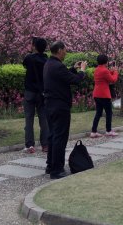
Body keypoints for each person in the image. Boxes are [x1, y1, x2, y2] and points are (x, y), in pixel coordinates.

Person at [43, 41, 87, 179]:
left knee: (52, 136)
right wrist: (82, 71)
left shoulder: (49, 64)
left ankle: (50, 165)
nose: (66, 53)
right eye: (65, 50)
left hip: (50, 105)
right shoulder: (57, 66)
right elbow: (75, 80)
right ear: (60, 50)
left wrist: (73, 69)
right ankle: (57, 170)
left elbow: (65, 77)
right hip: (59, 106)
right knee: (59, 137)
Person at [22, 37, 50, 154]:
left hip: (30, 92)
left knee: (29, 119)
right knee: (44, 119)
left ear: (34, 46)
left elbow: (24, 64)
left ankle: (30, 145)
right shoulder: (46, 59)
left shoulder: (29, 58)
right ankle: (45, 145)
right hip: (42, 93)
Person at [90, 54, 119, 138]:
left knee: (98, 113)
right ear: (106, 62)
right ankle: (108, 130)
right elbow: (112, 80)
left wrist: (112, 71)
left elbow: (106, 75)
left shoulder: (97, 69)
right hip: (104, 95)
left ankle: (93, 131)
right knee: (109, 113)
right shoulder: (105, 70)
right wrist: (116, 72)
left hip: (96, 94)